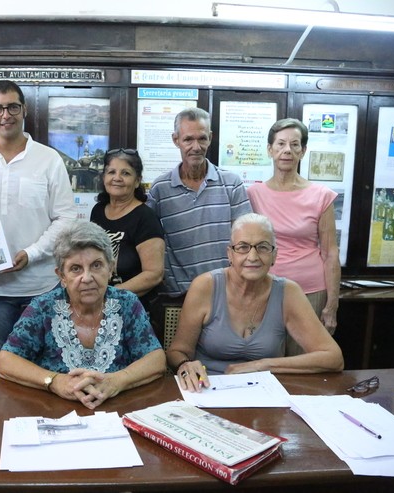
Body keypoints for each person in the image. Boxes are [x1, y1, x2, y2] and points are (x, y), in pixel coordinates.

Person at [0, 80, 77, 366]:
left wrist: (33, 253)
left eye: (12, 107)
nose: (6, 115)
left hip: (42, 285)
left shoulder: (48, 158)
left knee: (46, 362)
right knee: (1, 362)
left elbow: (66, 217)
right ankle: (3, 414)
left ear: (24, 110)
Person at [0, 221, 166, 409]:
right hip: (55, 412)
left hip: (118, 411)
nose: (87, 278)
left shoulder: (126, 303)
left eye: (96, 265)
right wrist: (54, 381)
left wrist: (116, 381)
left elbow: (156, 359)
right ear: (61, 276)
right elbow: (6, 361)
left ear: (110, 269)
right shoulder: (44, 307)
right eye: (75, 269)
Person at [166, 213, 344, 392]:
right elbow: (177, 352)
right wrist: (185, 365)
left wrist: (261, 365)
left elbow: (333, 358)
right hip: (206, 390)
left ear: (274, 255)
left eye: (262, 247)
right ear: (230, 254)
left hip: (265, 394)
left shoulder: (288, 292)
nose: (252, 256)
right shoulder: (205, 286)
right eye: (243, 247)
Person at [247, 118, 340, 356]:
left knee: (304, 362)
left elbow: (330, 254)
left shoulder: (321, 196)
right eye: (280, 144)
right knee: (265, 358)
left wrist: (332, 305)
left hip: (310, 290)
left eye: (295, 144)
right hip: (264, 289)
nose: (287, 150)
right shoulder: (253, 194)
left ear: (303, 150)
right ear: (270, 150)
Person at [147, 107, 251, 298]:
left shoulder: (232, 184)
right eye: (188, 139)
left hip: (226, 293)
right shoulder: (160, 189)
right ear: (175, 140)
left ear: (210, 138)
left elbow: (246, 239)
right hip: (177, 296)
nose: (196, 146)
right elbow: (148, 243)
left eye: (202, 138)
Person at [89, 148, 165, 311]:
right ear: (104, 177)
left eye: (125, 173)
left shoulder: (145, 218)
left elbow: (154, 274)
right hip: (97, 307)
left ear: (137, 181)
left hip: (131, 310)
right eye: (111, 172)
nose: (117, 178)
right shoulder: (97, 211)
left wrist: (109, 295)